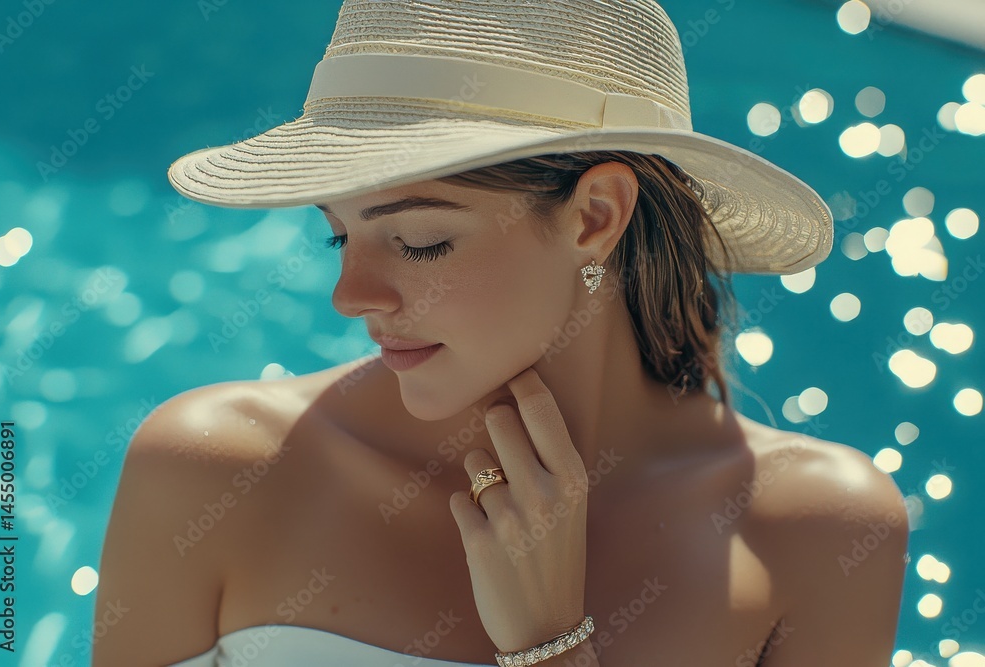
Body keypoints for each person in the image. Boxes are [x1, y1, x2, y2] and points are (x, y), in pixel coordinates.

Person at [93, 1, 910, 665]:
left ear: (595, 218)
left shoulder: (822, 531)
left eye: (419, 241)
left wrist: (548, 646)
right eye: (339, 234)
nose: (349, 295)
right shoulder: (213, 469)